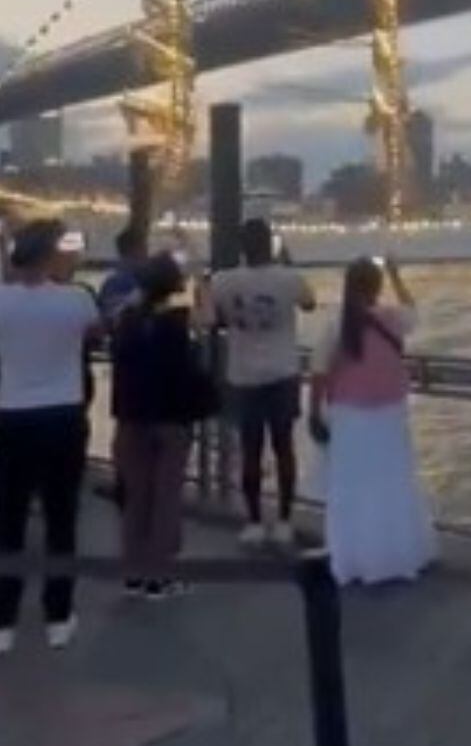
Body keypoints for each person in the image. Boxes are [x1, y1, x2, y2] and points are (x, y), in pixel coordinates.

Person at [0, 220, 105, 653]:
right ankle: (58, 616)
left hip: (10, 417)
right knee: (62, 520)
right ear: (50, 256)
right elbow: (97, 333)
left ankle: (3, 621)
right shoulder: (77, 299)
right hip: (63, 416)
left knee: (8, 521)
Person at [309, 257, 436, 586]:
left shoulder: (336, 323)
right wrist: (396, 274)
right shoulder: (392, 318)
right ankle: (397, 554)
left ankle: (353, 558)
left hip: (349, 416)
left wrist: (313, 413)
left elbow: (320, 373)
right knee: (392, 481)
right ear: (377, 287)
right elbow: (414, 311)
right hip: (390, 413)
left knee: (351, 486)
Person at [110, 254, 216, 598]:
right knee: (166, 496)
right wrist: (202, 279)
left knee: (137, 495)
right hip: (172, 417)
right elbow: (210, 318)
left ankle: (133, 571)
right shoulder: (179, 320)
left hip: (131, 417)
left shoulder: (125, 320)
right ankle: (161, 574)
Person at [208, 218, 317, 546]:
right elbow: (310, 303)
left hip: (243, 375)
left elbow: (212, 319)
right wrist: (288, 261)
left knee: (250, 449)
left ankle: (254, 521)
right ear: (270, 243)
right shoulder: (289, 278)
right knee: (284, 448)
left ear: (241, 247)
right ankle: (283, 520)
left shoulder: (222, 281)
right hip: (283, 372)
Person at [98, 227, 147, 321]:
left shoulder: (110, 282)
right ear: (137, 249)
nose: (146, 254)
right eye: (144, 248)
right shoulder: (133, 281)